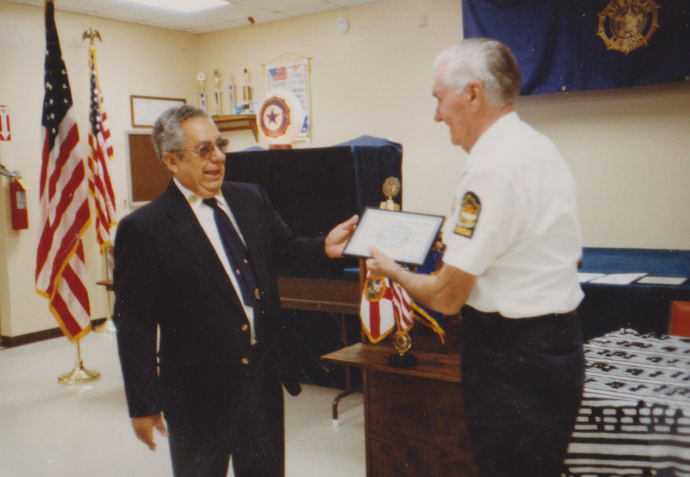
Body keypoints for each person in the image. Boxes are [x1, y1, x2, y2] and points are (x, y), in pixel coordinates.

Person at [366, 38, 585, 477]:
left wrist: (392, 270)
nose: (436, 115)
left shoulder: (491, 168)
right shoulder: (539, 147)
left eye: (438, 99)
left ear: (472, 94)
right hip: (556, 347)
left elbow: (446, 297)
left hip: (512, 359)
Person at [112, 104, 357, 477]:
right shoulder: (146, 228)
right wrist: (143, 404)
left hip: (261, 381)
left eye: (220, 145)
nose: (219, 157)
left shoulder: (250, 199)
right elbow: (134, 325)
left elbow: (285, 248)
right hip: (197, 396)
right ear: (171, 161)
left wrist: (323, 246)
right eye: (204, 149)